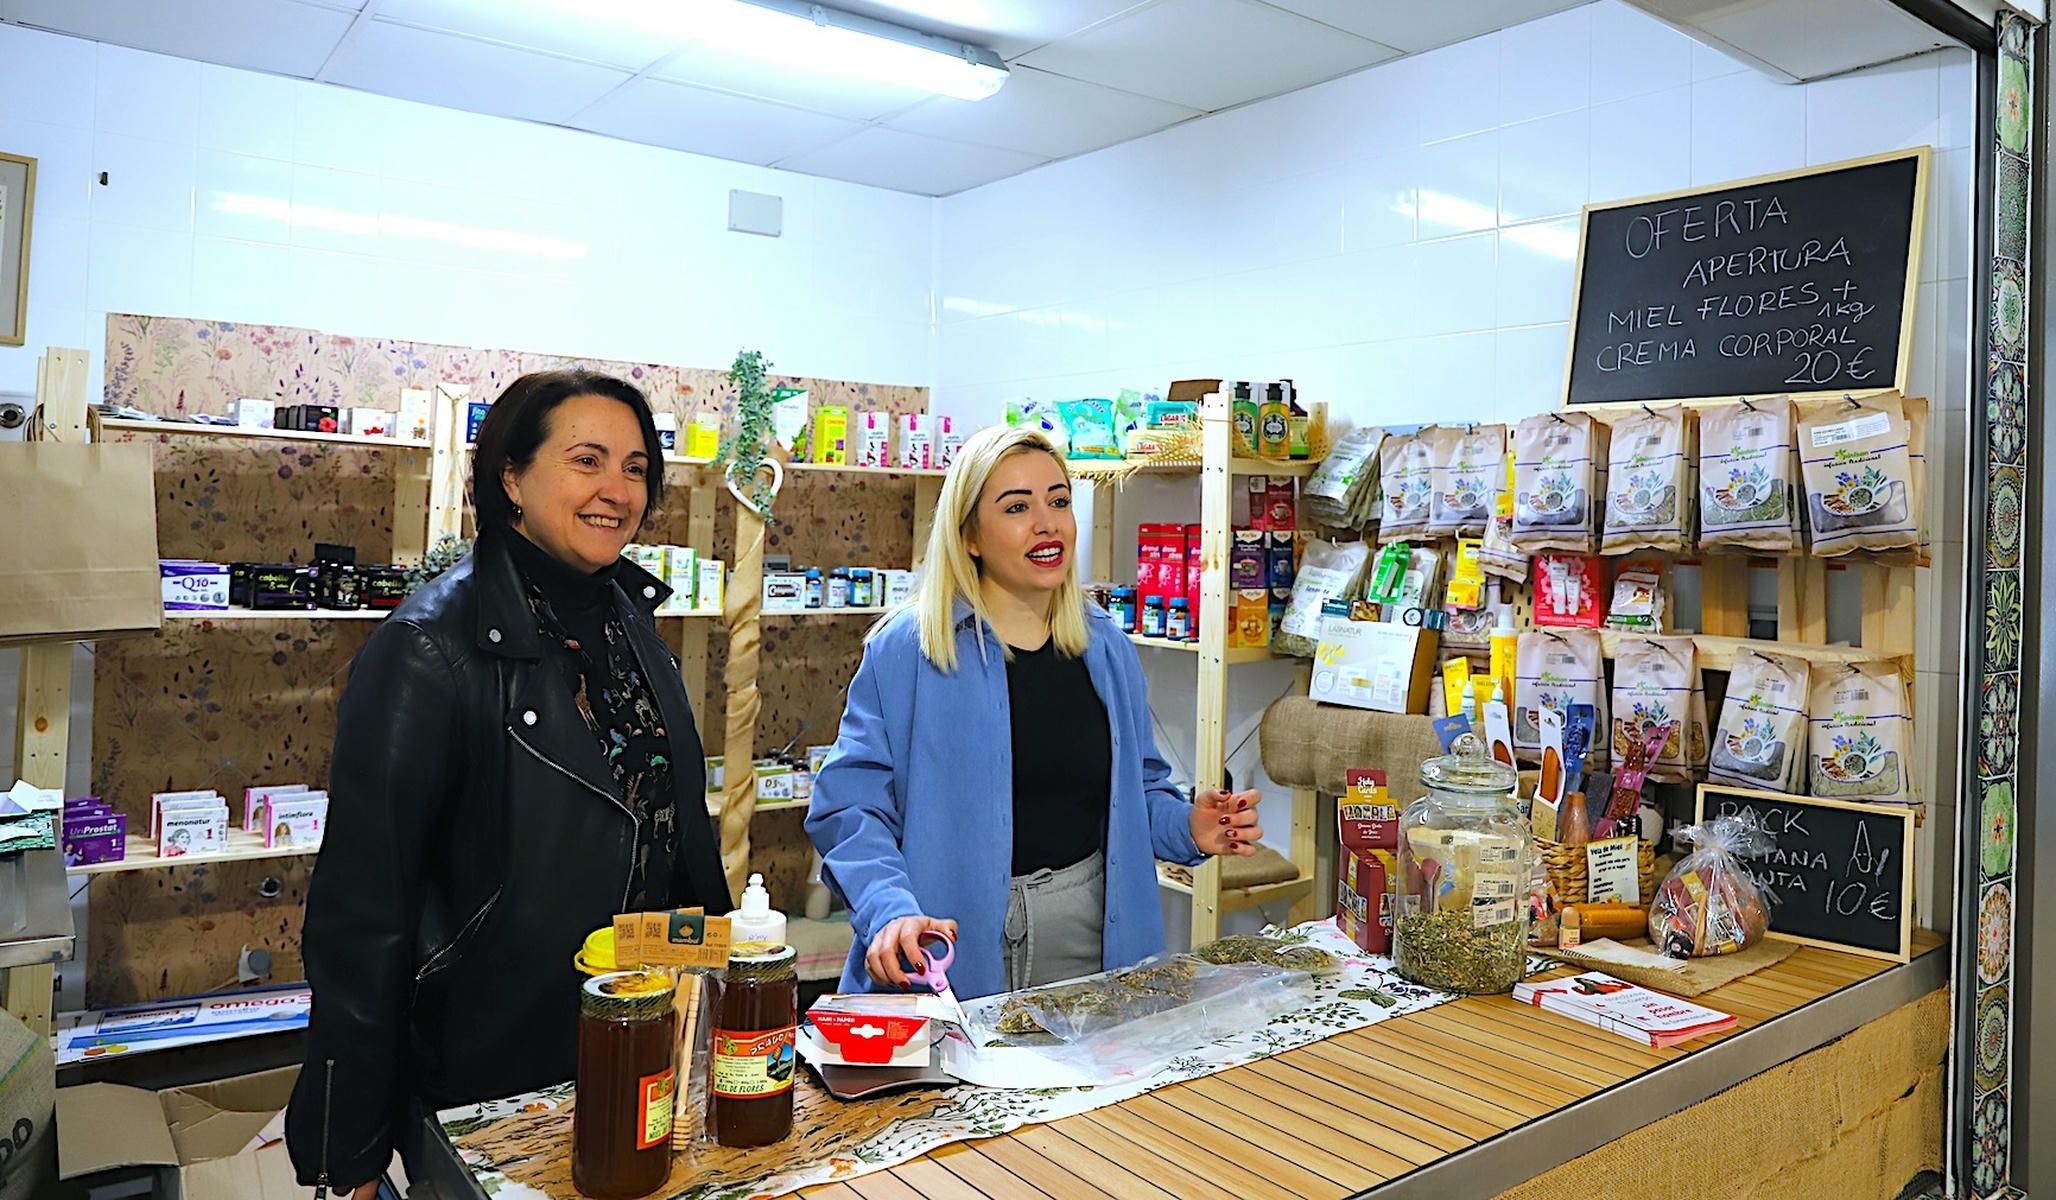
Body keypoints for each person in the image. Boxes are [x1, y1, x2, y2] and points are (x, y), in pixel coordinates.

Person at [285, 370, 730, 1197]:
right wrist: (348, 1143)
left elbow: (666, 837)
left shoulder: (630, 621)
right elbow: (363, 911)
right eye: (587, 460)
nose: (617, 490)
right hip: (496, 1069)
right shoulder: (429, 648)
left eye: (636, 468)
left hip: (644, 1042)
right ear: (512, 478)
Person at [806, 424, 1262, 999]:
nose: (1047, 523)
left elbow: (1137, 793)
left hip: (1087, 944)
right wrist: (888, 908)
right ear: (970, 535)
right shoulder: (907, 650)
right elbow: (850, 808)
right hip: (943, 946)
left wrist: (1190, 827)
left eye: (1059, 501)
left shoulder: (1104, 647)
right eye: (1017, 507)